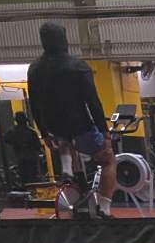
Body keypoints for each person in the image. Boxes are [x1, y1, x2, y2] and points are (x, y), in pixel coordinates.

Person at [27, 22, 117, 218]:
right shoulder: (78, 66)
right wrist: (104, 131)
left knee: (65, 140)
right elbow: (92, 101)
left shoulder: (34, 69)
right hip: (80, 127)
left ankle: (67, 167)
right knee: (109, 160)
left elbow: (34, 104)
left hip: (54, 129)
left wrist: (44, 133)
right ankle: (105, 207)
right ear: (64, 39)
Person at [3, 111, 43, 184]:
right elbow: (38, 146)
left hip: (21, 156)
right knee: (34, 177)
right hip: (32, 156)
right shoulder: (31, 132)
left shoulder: (13, 131)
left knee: (24, 178)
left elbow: (6, 139)